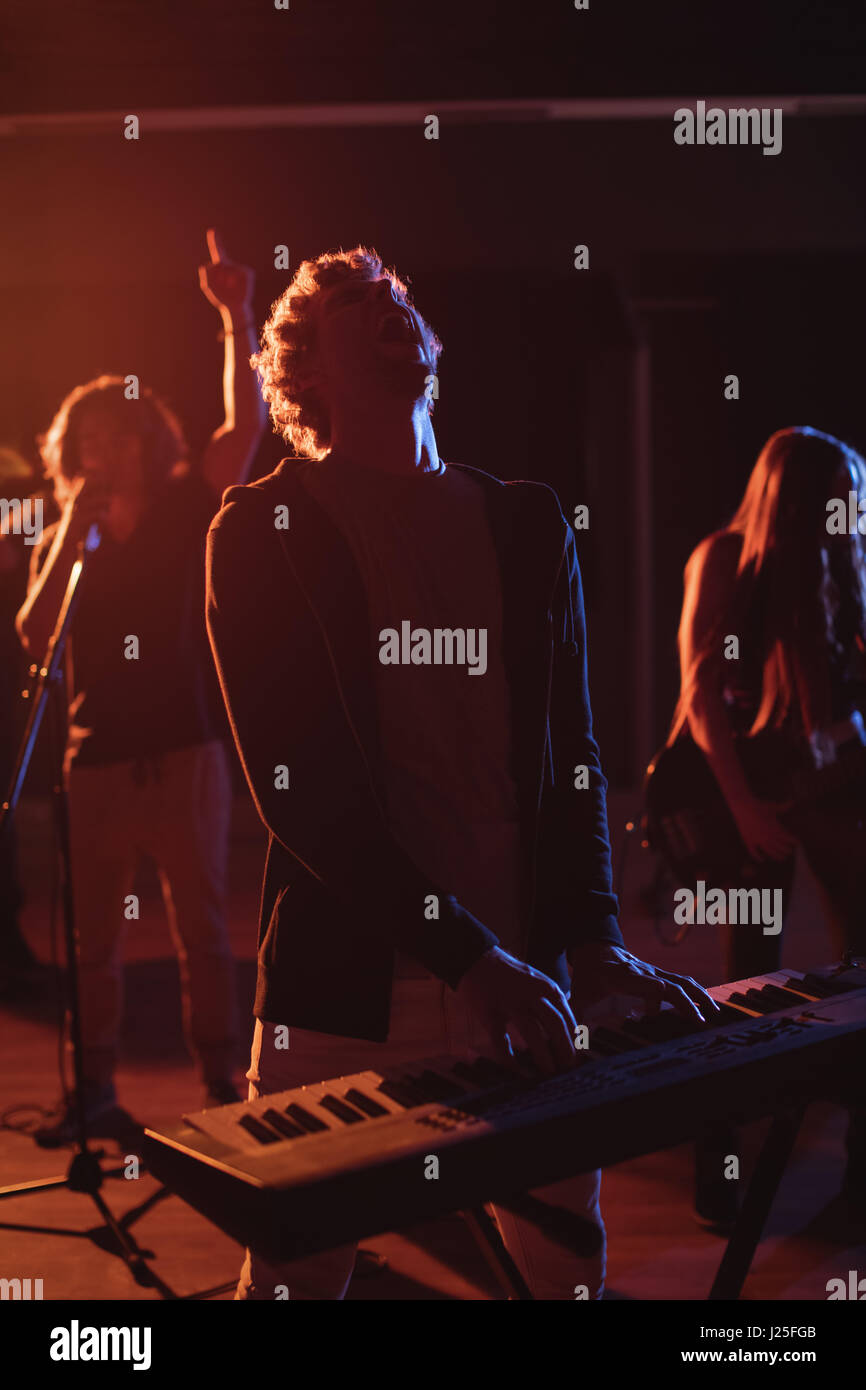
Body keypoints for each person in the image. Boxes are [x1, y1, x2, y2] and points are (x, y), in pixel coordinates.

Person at [205, 245, 718, 1300]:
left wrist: (594, 942)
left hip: (526, 976)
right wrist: (465, 956)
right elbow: (300, 792)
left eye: (394, 292)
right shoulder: (262, 531)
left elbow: (571, 759)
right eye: (352, 300)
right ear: (304, 369)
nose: (390, 300)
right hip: (344, 991)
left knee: (562, 1269)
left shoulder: (525, 520)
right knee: (294, 1281)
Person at [16, 230, 267, 1144]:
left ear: (146, 437)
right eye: (86, 437)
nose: (102, 447)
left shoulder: (184, 506)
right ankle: (95, 1092)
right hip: (97, 763)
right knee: (93, 946)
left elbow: (246, 431)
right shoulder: (69, 538)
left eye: (117, 432)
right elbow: (33, 635)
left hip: (186, 750)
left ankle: (220, 1085)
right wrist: (72, 530)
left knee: (203, 932)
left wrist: (234, 317)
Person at [670, 425, 866, 1223]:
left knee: (859, 976)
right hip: (743, 791)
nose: (850, 512)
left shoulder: (842, 559)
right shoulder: (723, 558)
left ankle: (857, 1177)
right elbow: (700, 691)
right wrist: (743, 806)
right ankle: (718, 1179)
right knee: (739, 990)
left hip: (829, 786)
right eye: (838, 498)